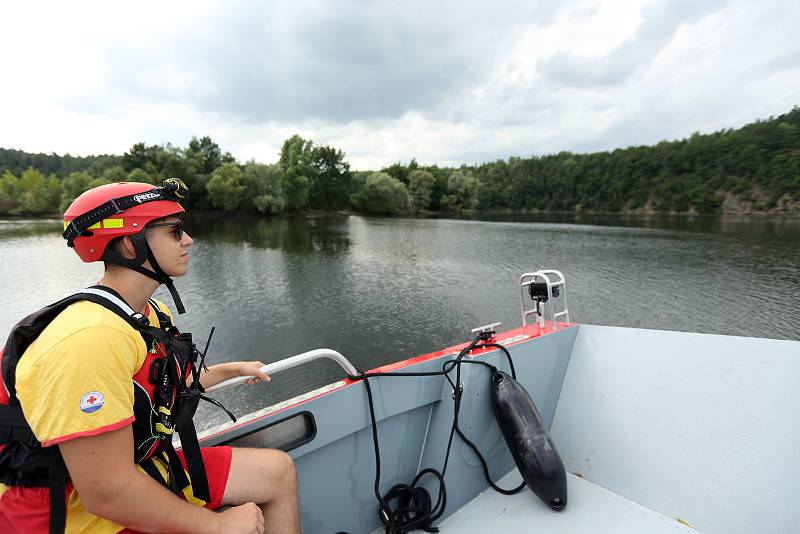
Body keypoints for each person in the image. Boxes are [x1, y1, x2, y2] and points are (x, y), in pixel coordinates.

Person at [0, 179, 301, 534]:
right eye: (174, 231)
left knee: (278, 472)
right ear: (131, 244)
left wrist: (227, 370)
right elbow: (106, 493)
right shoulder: (90, 340)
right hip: (71, 512)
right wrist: (216, 526)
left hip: (137, 470)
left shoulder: (149, 315)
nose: (188, 240)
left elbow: (160, 388)